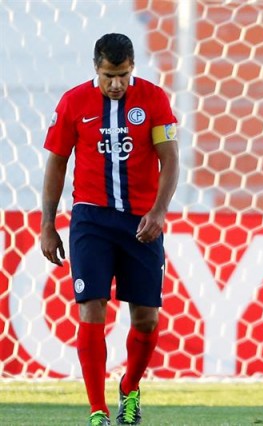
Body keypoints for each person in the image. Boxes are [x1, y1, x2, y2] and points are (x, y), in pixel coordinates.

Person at [40, 33, 179, 426]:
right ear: (95, 69)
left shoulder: (153, 100)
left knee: (146, 319)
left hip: (141, 222)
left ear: (133, 67)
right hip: (92, 220)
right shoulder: (73, 103)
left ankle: (130, 389)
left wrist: (159, 211)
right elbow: (56, 163)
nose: (115, 84)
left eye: (122, 75)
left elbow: (170, 160)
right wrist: (47, 225)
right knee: (91, 309)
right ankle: (97, 410)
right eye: (108, 76)